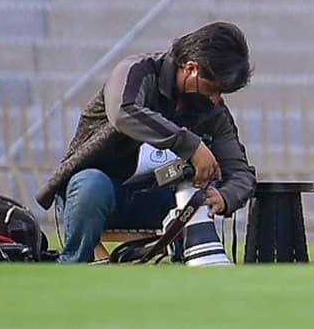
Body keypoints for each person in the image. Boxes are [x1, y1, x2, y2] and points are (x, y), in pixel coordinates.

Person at [36, 21, 255, 263]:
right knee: (91, 183)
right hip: (102, 192)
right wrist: (190, 145)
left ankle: (191, 260)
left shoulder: (213, 113)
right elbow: (124, 112)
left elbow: (240, 172)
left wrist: (225, 198)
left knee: (199, 184)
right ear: (192, 68)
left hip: (158, 197)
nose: (216, 100)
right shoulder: (136, 71)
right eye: (212, 89)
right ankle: (75, 262)